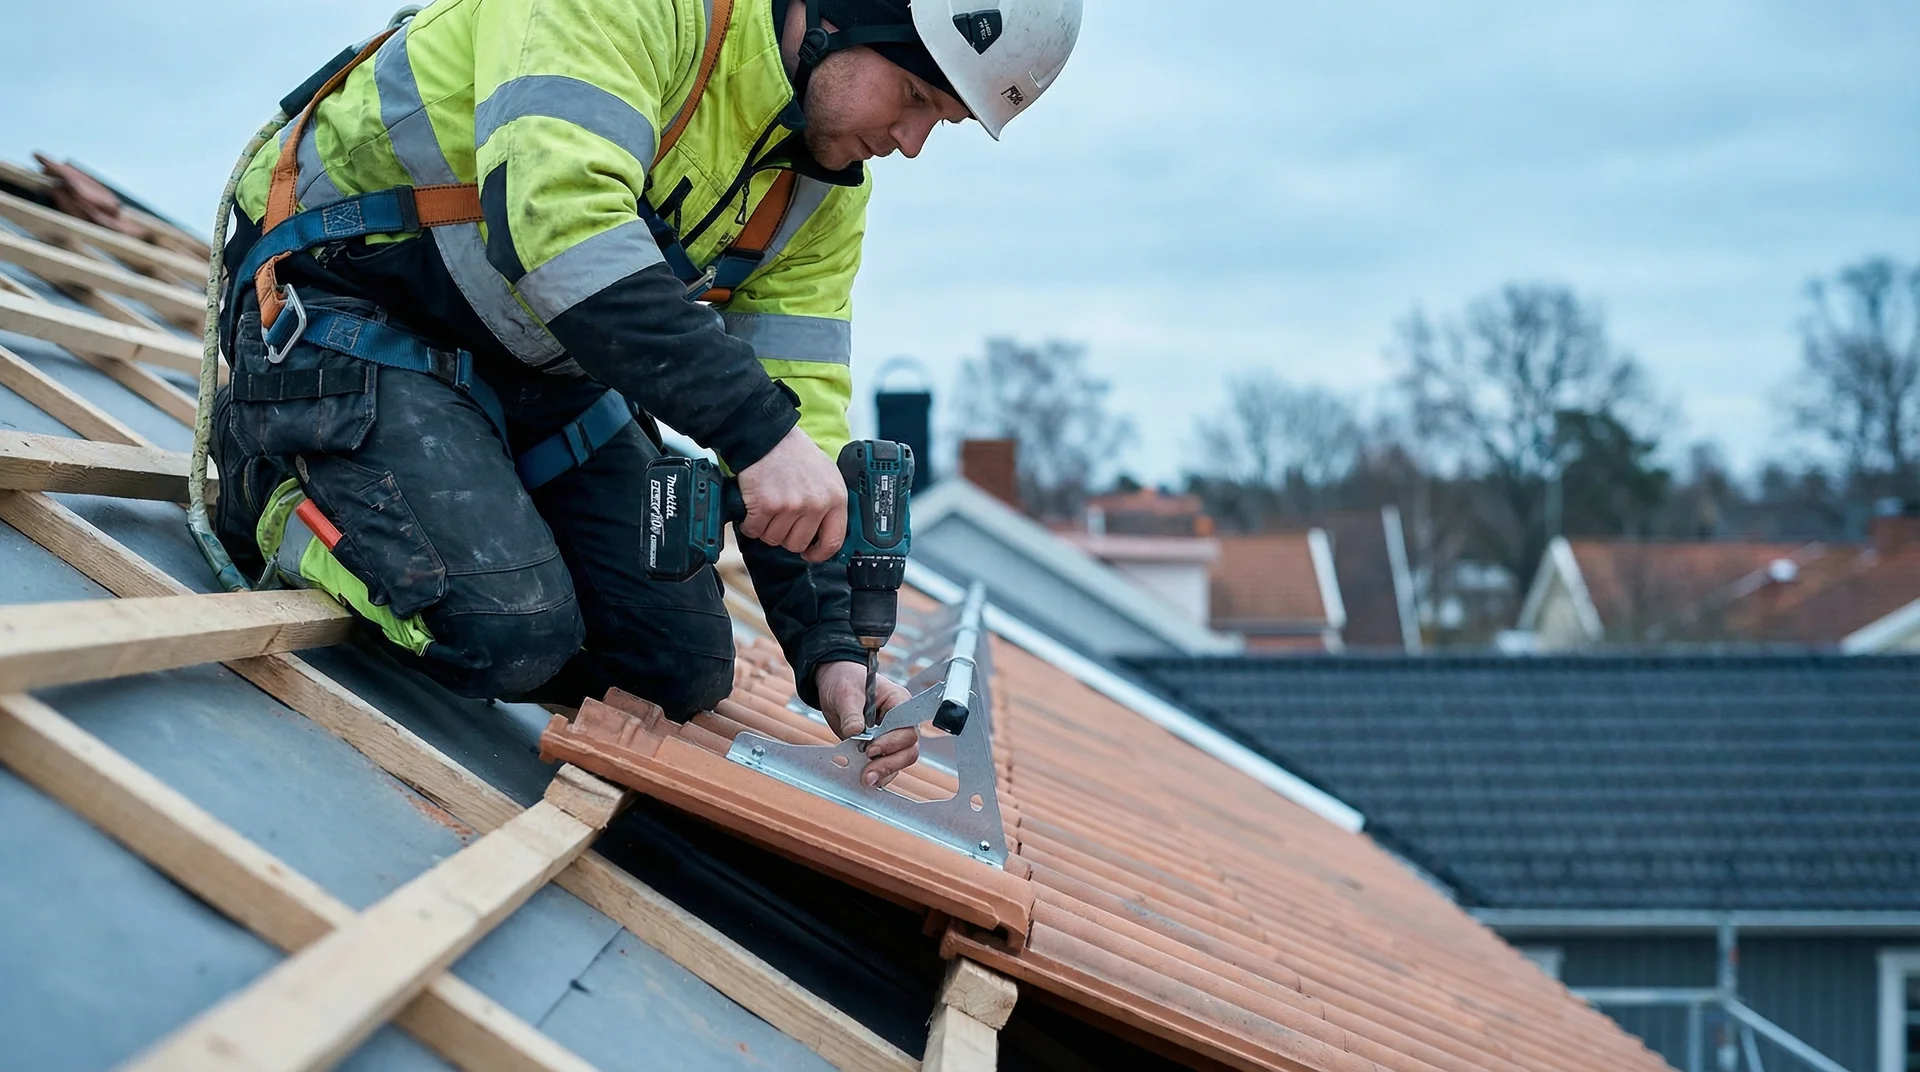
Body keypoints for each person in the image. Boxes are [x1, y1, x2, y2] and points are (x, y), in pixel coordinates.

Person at [210, 0, 1081, 788]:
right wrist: (754, 433)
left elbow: (799, 410)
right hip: (350, 308)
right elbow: (561, 221)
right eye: (918, 97)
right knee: (505, 630)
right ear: (844, 14)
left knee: (676, 669)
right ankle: (280, 493)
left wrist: (830, 650)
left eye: (946, 121)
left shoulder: (817, 187)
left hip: (534, 371)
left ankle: (452, 494)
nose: (913, 141)